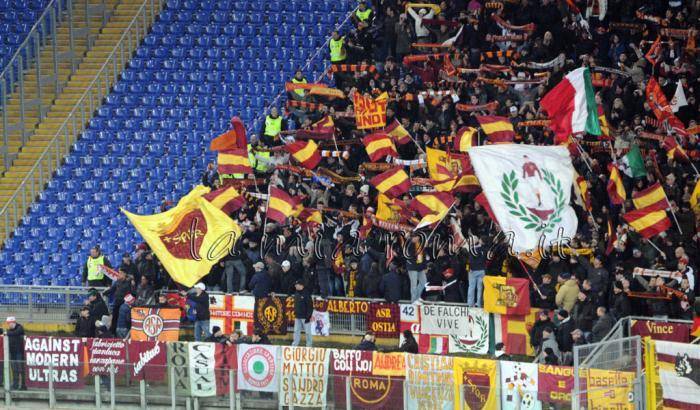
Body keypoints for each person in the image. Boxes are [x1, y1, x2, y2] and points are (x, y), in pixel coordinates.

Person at [103, 268, 133, 335]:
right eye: (119, 273)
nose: (119, 274)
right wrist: (105, 293)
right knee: (114, 318)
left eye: (121, 273)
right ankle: (113, 333)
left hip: (124, 304)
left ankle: (124, 333)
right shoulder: (117, 282)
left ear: (125, 274)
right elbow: (112, 289)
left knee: (123, 319)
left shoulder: (128, 283)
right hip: (117, 303)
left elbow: (130, 293)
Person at [6, 317, 26, 390]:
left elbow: (15, 333)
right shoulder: (10, 330)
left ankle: (23, 385)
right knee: (14, 369)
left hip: (19, 352)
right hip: (13, 352)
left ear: (12, 322)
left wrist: (7, 333)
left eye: (9, 323)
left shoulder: (19, 328)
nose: (8, 325)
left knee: (21, 369)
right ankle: (15, 384)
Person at [292, 279, 314, 347]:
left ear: (301, 285)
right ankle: (294, 345)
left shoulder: (306, 294)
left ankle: (309, 346)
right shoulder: (296, 293)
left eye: (297, 285)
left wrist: (308, 316)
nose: (295, 286)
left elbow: (310, 306)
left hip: (305, 317)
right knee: (296, 331)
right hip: (297, 316)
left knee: (307, 332)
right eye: (295, 285)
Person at [467, 237, 487, 307]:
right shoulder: (485, 249)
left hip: (473, 271)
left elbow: (470, 260)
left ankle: (470, 304)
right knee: (480, 288)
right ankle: (479, 304)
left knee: (472, 287)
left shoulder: (472, 249)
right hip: (482, 270)